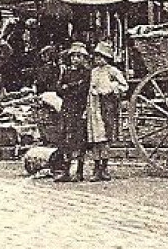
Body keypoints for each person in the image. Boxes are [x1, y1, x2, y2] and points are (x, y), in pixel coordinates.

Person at [85, 42, 129, 182]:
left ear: (107, 58)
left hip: (107, 105)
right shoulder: (93, 72)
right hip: (94, 105)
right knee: (95, 139)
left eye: (101, 57)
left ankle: (104, 168)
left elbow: (124, 85)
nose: (98, 60)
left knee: (105, 138)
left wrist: (111, 87)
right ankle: (96, 168)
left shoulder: (112, 71)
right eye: (96, 57)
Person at [54, 43, 92, 182]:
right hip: (67, 107)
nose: (75, 59)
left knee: (79, 139)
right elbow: (58, 89)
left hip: (79, 108)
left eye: (78, 56)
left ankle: (79, 171)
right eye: (73, 56)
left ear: (84, 58)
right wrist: (67, 88)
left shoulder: (86, 73)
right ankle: (65, 170)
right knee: (65, 138)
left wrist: (68, 87)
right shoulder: (67, 72)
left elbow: (82, 90)